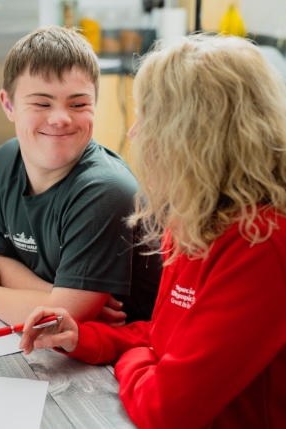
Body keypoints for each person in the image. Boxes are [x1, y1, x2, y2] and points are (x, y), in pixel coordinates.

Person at [19, 34, 286, 429]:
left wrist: (134, 359)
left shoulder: (261, 243)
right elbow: (166, 337)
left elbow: (165, 409)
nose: (134, 134)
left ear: (197, 135)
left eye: (148, 118)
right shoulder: (192, 220)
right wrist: (83, 338)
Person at [0, 25, 161, 327]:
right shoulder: (5, 160)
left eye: (78, 104)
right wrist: (63, 298)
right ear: (8, 104)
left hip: (125, 354)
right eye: (42, 103)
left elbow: (59, 319)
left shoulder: (105, 190)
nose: (60, 118)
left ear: (95, 104)